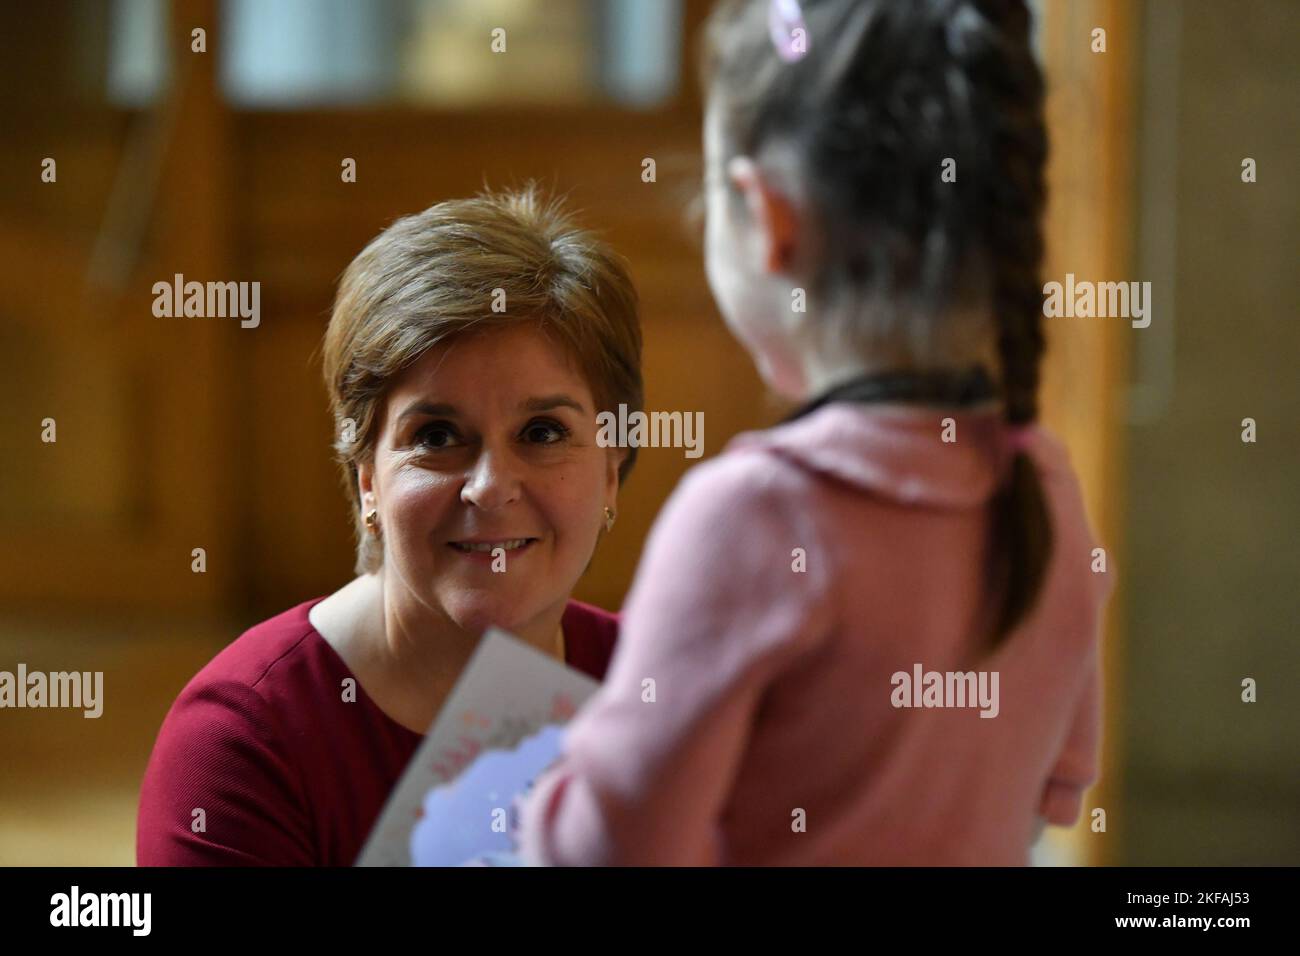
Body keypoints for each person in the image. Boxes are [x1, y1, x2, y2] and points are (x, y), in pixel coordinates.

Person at [519, 0, 1114, 865]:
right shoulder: (1045, 486)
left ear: (768, 219)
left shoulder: (753, 517)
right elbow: (1060, 783)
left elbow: (607, 849)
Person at [137, 185, 642, 865]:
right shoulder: (243, 743)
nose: (491, 488)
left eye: (543, 431)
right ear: (367, 476)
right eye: (437, 436)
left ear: (611, 468)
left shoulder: (653, 687)